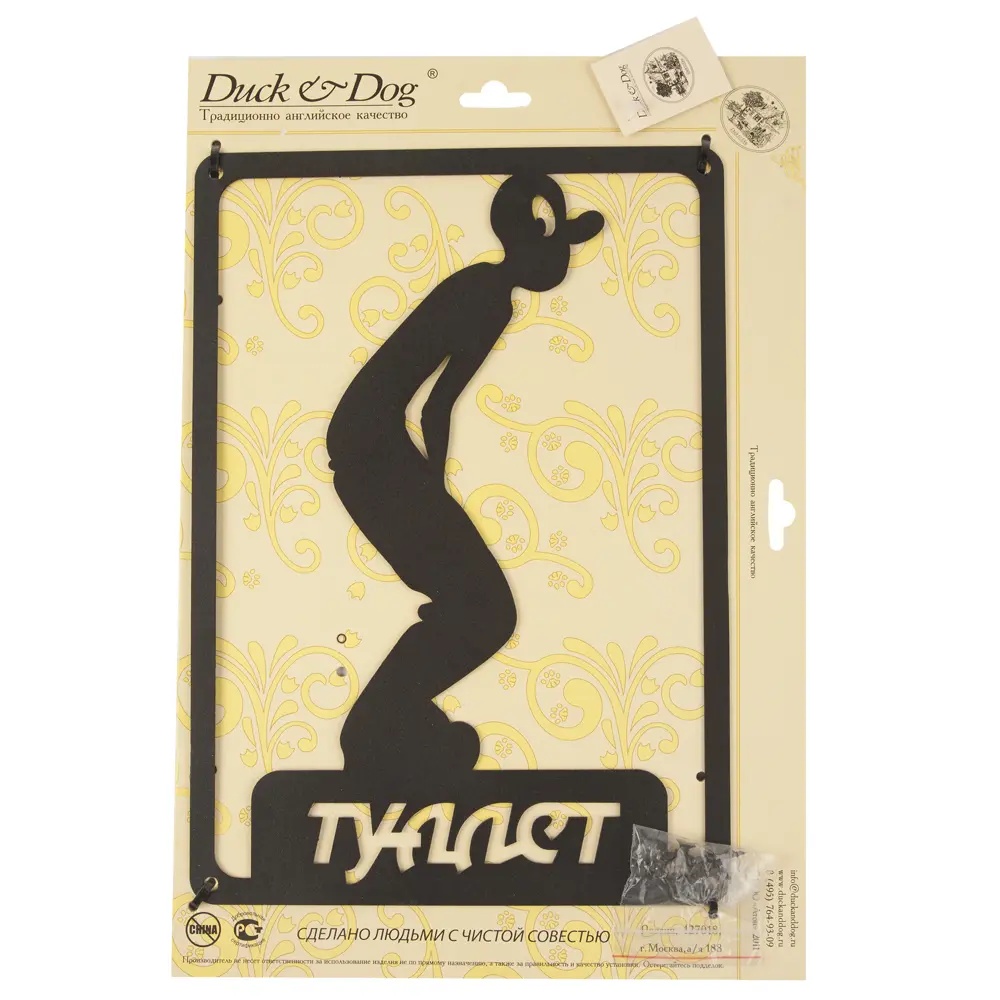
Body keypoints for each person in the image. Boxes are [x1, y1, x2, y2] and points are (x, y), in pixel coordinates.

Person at [327, 174, 604, 776]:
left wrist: (431, 492)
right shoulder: (489, 297)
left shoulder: (479, 283)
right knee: (484, 606)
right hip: (372, 448)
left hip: (366, 442)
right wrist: (432, 489)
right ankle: (373, 730)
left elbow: (430, 399)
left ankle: (384, 723)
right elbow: (436, 406)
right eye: (557, 246)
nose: (562, 262)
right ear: (525, 241)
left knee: (477, 604)